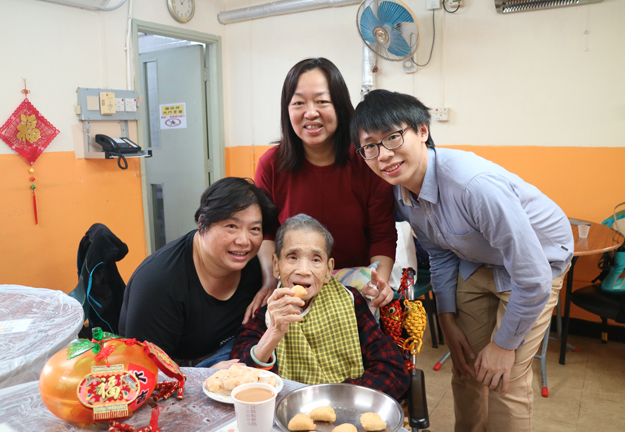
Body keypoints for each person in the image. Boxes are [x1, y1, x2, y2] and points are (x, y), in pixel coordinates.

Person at [350, 90, 574, 431]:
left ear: (422, 131)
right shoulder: (400, 191)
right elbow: (439, 253)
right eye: (371, 146)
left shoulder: (473, 186)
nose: (384, 155)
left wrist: (503, 345)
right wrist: (448, 319)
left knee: (504, 376)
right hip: (475, 262)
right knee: (466, 365)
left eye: (393, 137)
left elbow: (533, 278)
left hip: (535, 267)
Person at [245, 58, 397, 323]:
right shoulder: (271, 164)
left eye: (322, 101)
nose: (310, 112)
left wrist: (379, 283)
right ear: (287, 110)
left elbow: (382, 235)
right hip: (295, 292)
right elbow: (266, 231)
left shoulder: (367, 160)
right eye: (299, 103)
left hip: (353, 294)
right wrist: (270, 279)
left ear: (340, 106)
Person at [232, 214, 409, 400]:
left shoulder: (350, 301)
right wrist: (273, 333)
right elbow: (243, 381)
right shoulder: (264, 315)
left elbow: (394, 371)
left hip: (347, 407)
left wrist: (333, 398)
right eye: (292, 257)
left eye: (316, 260)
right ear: (276, 264)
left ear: (327, 269)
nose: (303, 270)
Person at [119, 177, 279, 368]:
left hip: (235, 354)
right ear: (202, 224)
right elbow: (145, 371)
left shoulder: (254, 265)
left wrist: (270, 280)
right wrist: (205, 376)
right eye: (231, 226)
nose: (244, 241)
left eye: (254, 229)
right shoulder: (158, 283)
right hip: (177, 372)